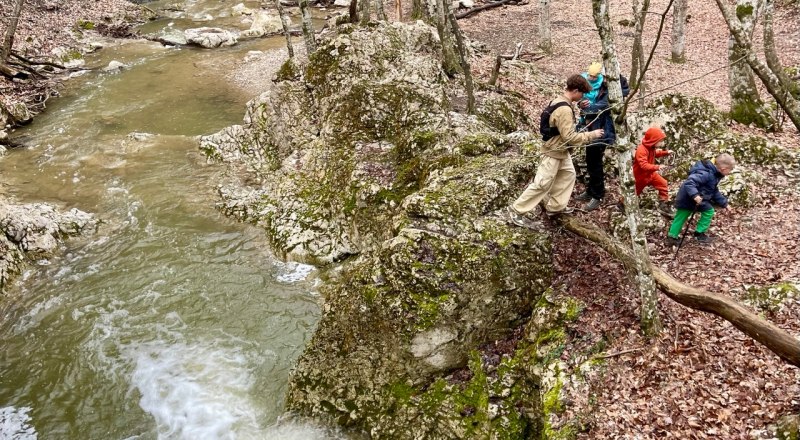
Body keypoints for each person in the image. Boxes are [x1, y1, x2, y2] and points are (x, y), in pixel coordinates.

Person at [505, 74, 604, 226]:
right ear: (575, 91)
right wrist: (592, 135)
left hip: (561, 151)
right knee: (542, 183)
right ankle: (517, 210)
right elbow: (569, 137)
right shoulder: (564, 109)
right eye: (582, 93)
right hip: (553, 151)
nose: (583, 96)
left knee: (568, 175)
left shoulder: (558, 101)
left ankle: (555, 207)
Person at [575, 63, 630, 211]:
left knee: (595, 163)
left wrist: (586, 110)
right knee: (590, 160)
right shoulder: (605, 85)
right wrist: (582, 104)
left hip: (604, 129)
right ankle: (591, 191)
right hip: (594, 126)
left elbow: (604, 105)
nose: (603, 79)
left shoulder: (616, 89)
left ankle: (598, 194)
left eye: (606, 77)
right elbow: (590, 100)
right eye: (603, 77)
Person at [665, 153, 736, 245]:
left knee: (709, 211)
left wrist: (725, 203)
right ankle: (672, 237)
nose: (729, 173)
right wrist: (695, 195)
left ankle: (699, 233)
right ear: (723, 169)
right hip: (687, 198)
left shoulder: (715, 174)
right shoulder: (706, 173)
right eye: (729, 171)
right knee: (681, 217)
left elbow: (713, 190)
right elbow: (690, 183)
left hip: (699, 200)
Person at [632, 127, 675, 218]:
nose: (661, 143)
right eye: (660, 141)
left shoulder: (651, 147)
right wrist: (657, 167)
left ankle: (663, 205)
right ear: (653, 140)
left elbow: (656, 153)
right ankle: (622, 204)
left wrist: (666, 152)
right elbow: (643, 165)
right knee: (634, 192)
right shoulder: (641, 150)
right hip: (640, 177)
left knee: (663, 183)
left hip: (650, 174)